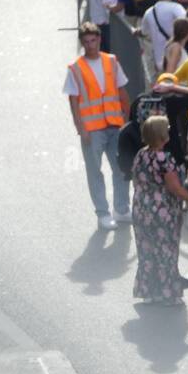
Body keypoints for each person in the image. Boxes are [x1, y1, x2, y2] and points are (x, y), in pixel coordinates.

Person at [65, 22, 131, 230]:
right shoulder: (76, 68)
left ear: (99, 39)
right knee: (95, 172)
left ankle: (121, 209)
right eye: (86, 41)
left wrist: (127, 120)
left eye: (93, 40)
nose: (90, 45)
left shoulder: (111, 61)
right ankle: (103, 213)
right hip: (92, 129)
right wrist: (80, 128)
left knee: (121, 169)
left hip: (114, 125)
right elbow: (73, 101)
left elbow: (122, 91)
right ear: (82, 43)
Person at [131, 115, 188, 305]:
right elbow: (174, 187)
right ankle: (168, 294)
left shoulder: (140, 155)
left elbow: (135, 180)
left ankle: (149, 292)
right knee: (166, 251)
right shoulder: (164, 159)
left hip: (142, 208)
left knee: (147, 251)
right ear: (162, 135)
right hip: (163, 211)